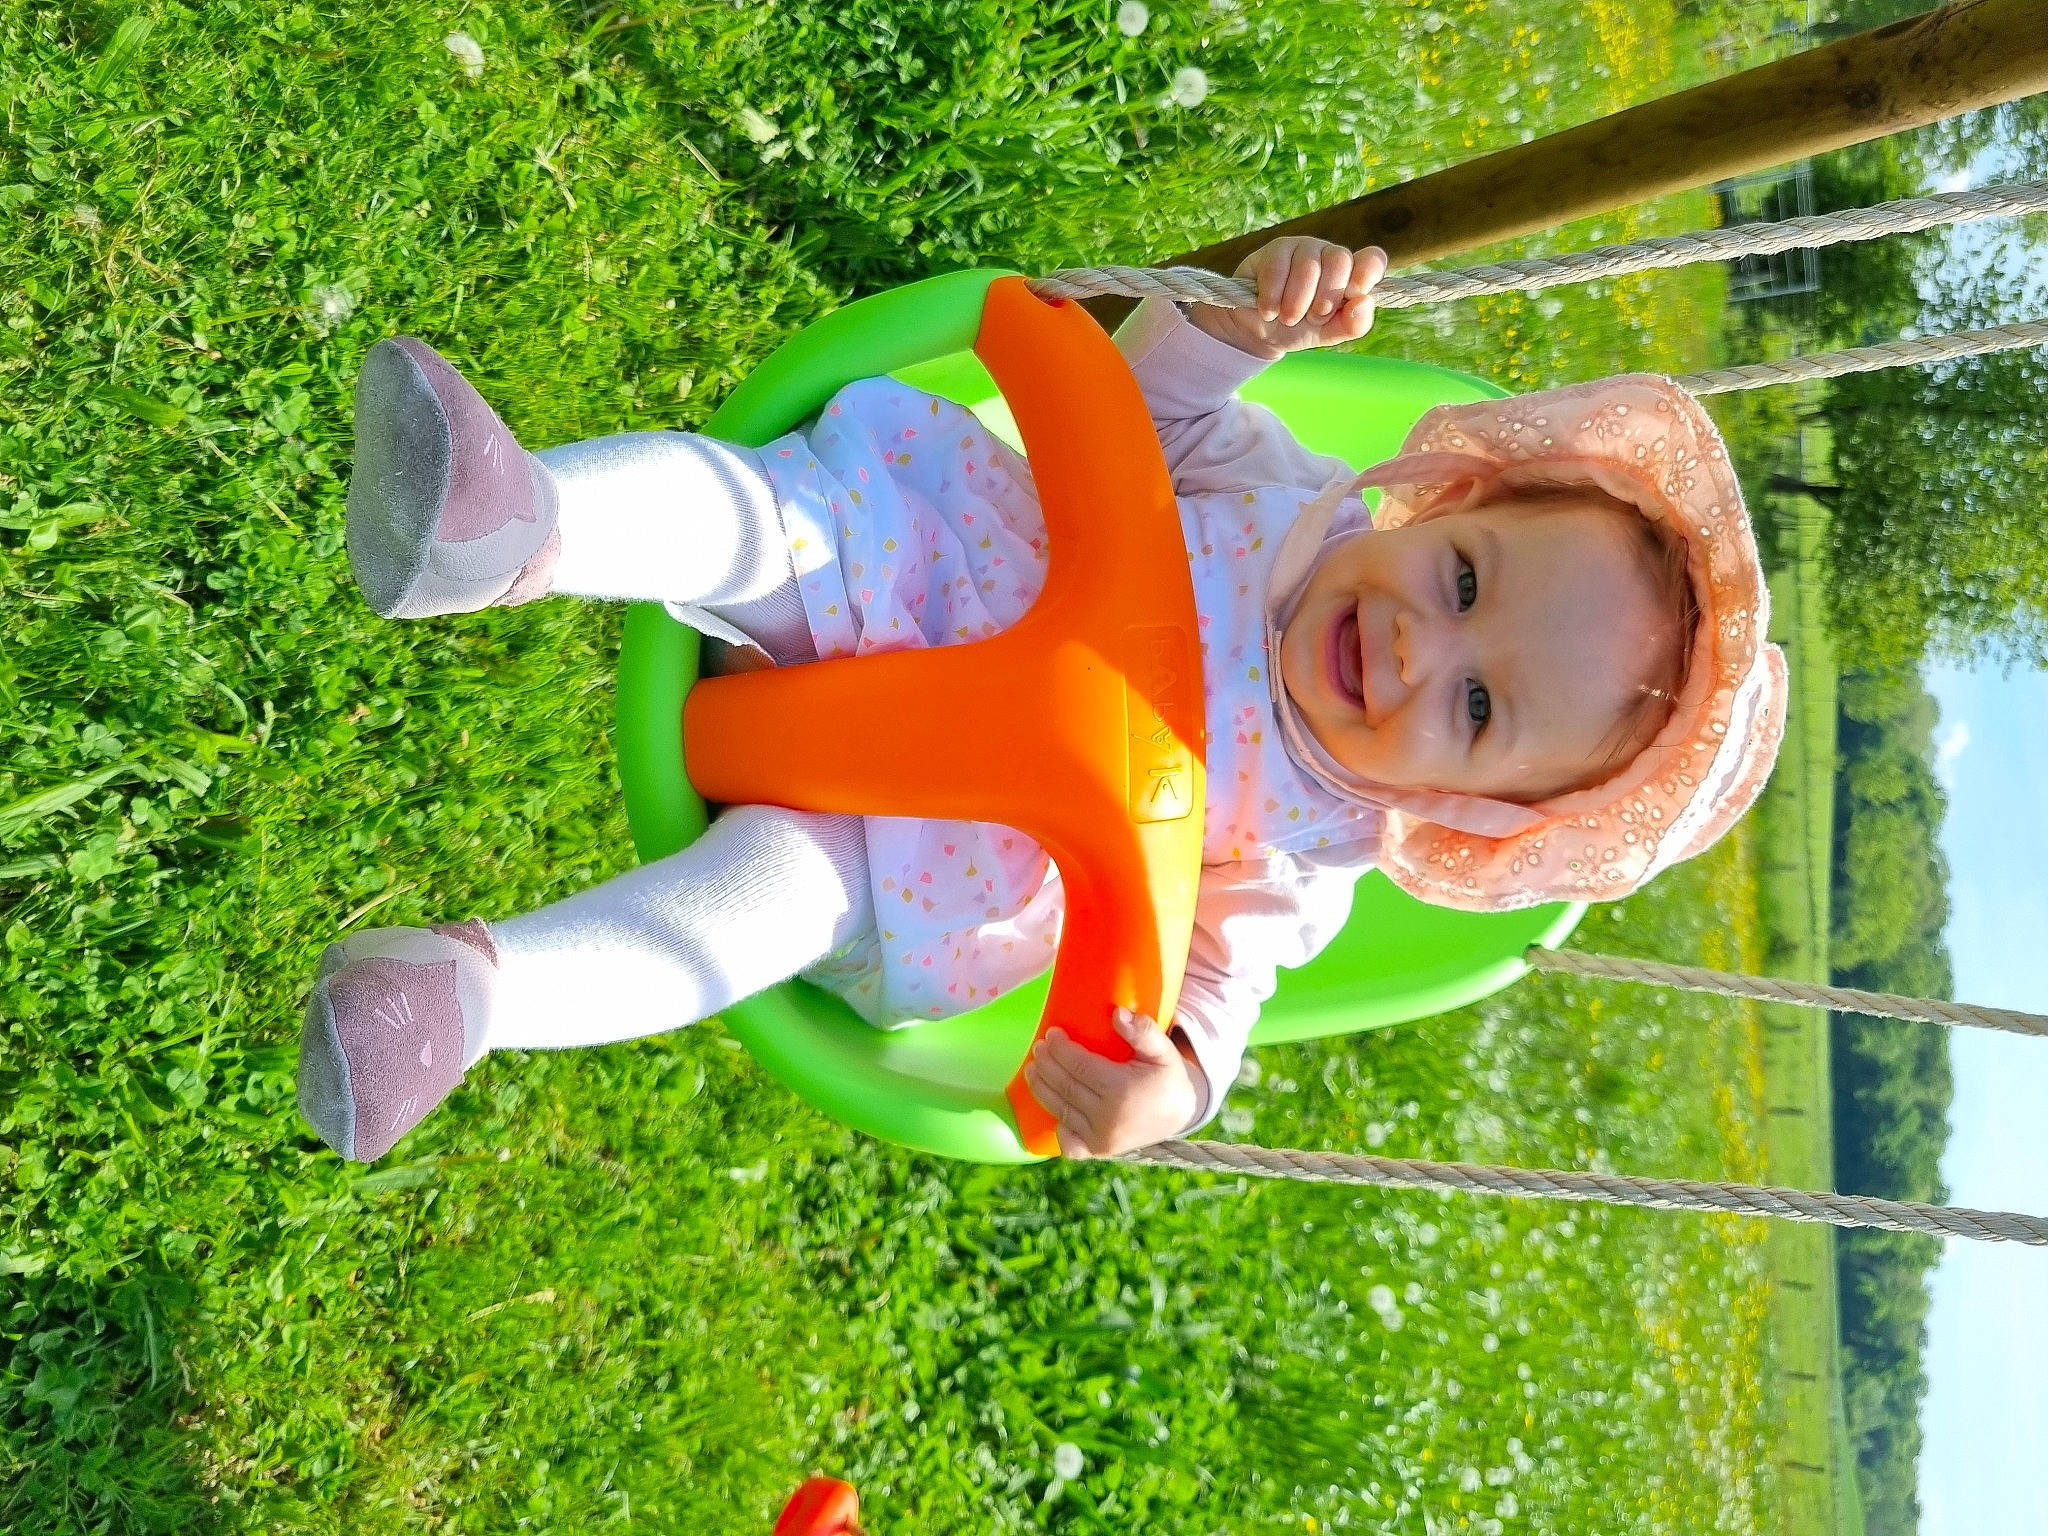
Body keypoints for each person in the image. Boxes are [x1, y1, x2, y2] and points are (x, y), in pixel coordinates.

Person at [296, 237, 1786, 1164]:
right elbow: (1145, 403)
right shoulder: (1282, 495)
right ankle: (511, 525)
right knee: (762, 516)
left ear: (1462, 807)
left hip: (917, 837)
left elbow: (1212, 1000)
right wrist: (1239, 323)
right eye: (1462, 582)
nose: (1416, 651)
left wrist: (1169, 1092)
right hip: (907, 560)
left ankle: (471, 996)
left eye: (1474, 711)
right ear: (1433, 502)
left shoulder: (1305, 860)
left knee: (764, 912)